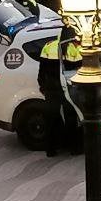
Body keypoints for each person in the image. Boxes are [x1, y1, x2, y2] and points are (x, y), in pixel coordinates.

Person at [37, 27, 81, 157]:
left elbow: (42, 69)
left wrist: (42, 85)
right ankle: (73, 148)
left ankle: (51, 149)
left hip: (51, 88)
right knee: (71, 118)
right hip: (67, 88)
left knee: (51, 118)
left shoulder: (48, 46)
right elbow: (79, 70)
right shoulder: (74, 48)